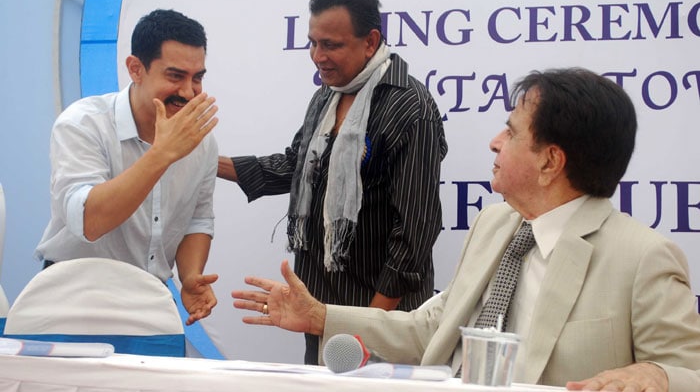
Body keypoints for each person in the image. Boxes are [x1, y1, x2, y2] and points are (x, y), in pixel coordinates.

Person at [231, 68, 700, 391]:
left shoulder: (642, 258)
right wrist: (320, 317)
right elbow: (433, 329)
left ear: (550, 162)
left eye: (512, 132)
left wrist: (659, 375)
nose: (495, 142)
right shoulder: (495, 222)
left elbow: (688, 371)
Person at [218, 0, 447, 363]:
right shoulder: (327, 95)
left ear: (370, 42)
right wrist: (205, 161)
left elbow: (414, 234)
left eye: (331, 45)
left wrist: (365, 329)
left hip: (383, 326)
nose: (317, 56)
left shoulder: (411, 107)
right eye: (313, 42)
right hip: (322, 315)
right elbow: (295, 166)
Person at [35, 9, 220, 325]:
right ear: (136, 69)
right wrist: (162, 155)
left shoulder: (201, 142)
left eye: (198, 77)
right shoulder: (83, 124)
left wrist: (190, 276)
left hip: (152, 303)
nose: (189, 92)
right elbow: (88, 220)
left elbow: (197, 220)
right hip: (71, 302)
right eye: (175, 76)